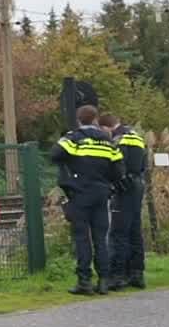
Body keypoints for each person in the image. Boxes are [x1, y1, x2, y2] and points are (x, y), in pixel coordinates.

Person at [50, 104, 123, 295]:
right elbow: (119, 171)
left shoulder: (74, 138)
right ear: (96, 120)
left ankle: (84, 281)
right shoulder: (107, 141)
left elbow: (55, 154)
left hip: (80, 194)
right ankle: (104, 281)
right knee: (101, 238)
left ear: (79, 120)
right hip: (101, 194)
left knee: (82, 238)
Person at [99, 113, 149, 290]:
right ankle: (137, 274)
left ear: (107, 127)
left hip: (124, 188)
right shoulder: (136, 136)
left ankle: (117, 276)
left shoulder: (118, 140)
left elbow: (116, 165)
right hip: (138, 185)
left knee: (118, 233)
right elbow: (143, 164)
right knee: (135, 232)